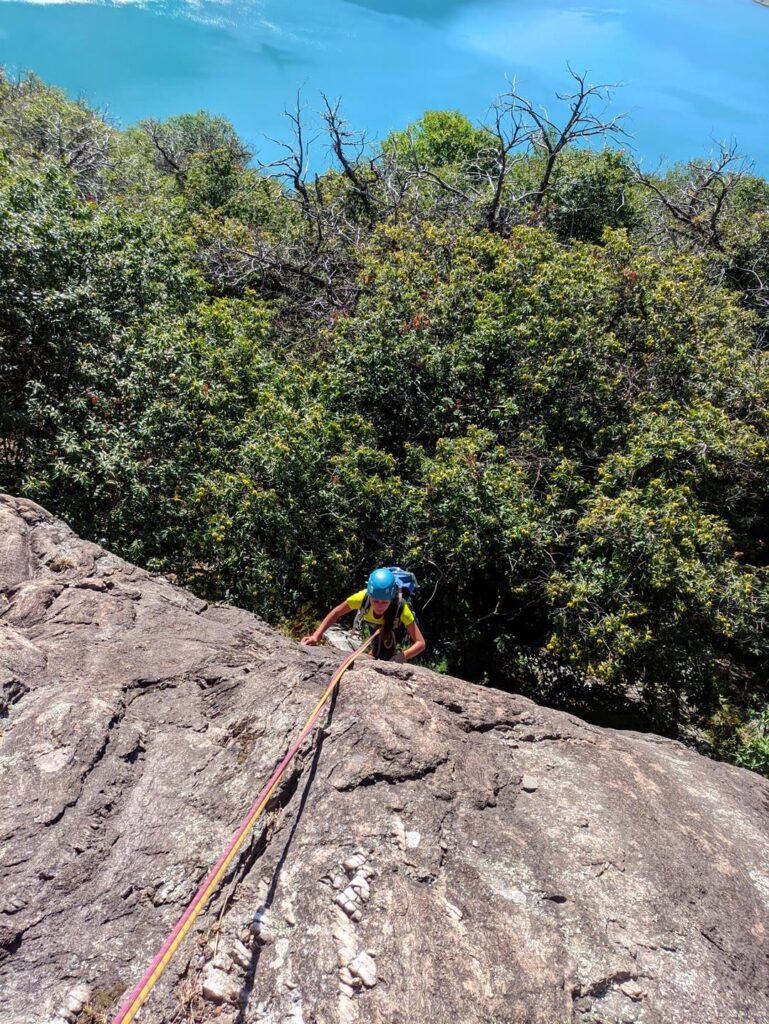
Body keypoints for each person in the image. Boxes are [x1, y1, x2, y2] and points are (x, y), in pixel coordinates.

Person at [301, 567, 426, 663]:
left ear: (392, 598)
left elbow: (420, 643)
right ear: (370, 596)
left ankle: (378, 651)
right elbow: (336, 613)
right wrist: (316, 636)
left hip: (396, 627)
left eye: (384, 602)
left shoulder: (401, 608)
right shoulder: (362, 598)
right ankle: (375, 650)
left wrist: (403, 656)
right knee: (379, 650)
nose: (379, 606)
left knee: (385, 656)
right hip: (376, 627)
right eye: (375, 600)